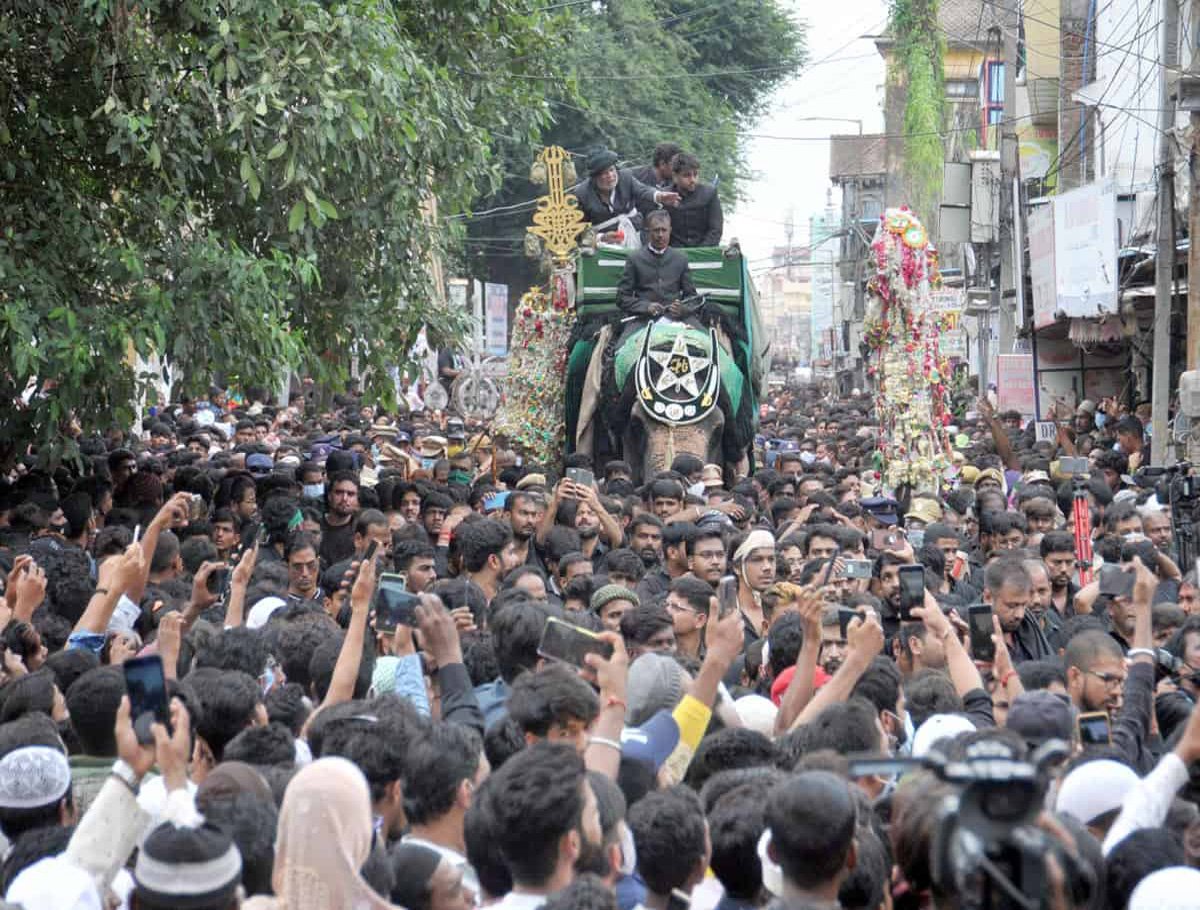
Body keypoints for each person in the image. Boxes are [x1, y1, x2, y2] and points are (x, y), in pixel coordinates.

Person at [569, 148, 680, 238]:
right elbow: (579, 229)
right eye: (604, 173)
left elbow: (643, 190)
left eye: (612, 170)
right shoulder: (582, 193)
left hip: (635, 233)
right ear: (595, 177)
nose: (610, 176)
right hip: (602, 244)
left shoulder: (625, 177)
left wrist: (660, 196)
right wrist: (601, 237)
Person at [615, 211, 698, 327]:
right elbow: (622, 297)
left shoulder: (681, 259)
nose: (660, 235)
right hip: (643, 319)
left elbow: (692, 297)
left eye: (664, 230)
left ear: (670, 231)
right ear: (648, 232)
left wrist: (683, 309)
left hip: (677, 318)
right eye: (656, 230)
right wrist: (646, 307)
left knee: (705, 340)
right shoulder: (634, 258)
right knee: (624, 344)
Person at [665, 153, 723, 248]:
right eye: (686, 175)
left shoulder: (709, 194)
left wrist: (699, 253)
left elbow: (715, 230)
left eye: (695, 174)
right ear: (675, 177)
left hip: (704, 252)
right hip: (673, 253)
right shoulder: (665, 196)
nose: (693, 180)